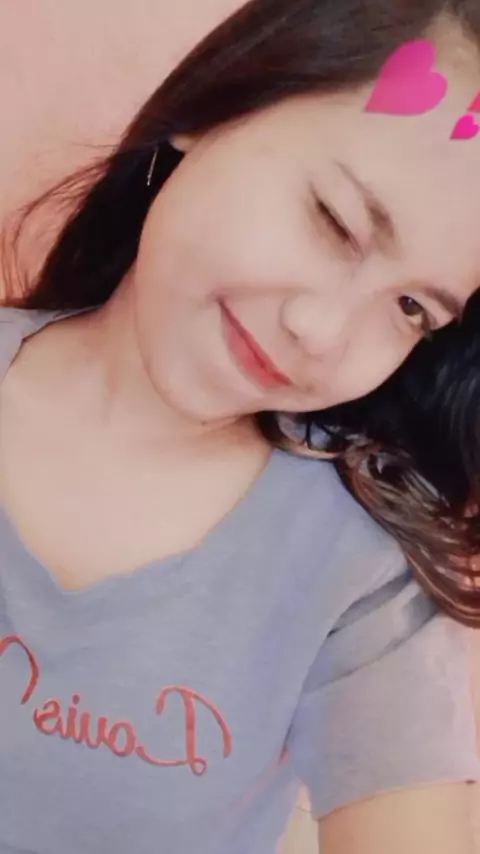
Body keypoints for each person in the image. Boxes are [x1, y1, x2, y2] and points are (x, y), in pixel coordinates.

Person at [1, 0, 480, 851]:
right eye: (334, 221)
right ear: (214, 106)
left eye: (411, 307)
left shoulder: (361, 568)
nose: (323, 333)